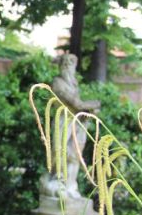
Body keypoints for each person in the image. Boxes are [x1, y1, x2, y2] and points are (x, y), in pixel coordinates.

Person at [40, 54, 100, 199]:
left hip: (77, 123)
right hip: (63, 122)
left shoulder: (74, 84)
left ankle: (71, 186)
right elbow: (76, 103)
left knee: (75, 156)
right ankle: (57, 181)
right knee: (60, 153)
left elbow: (79, 106)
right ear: (60, 66)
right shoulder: (58, 83)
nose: (67, 66)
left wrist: (88, 111)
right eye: (65, 63)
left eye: (71, 64)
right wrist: (94, 104)